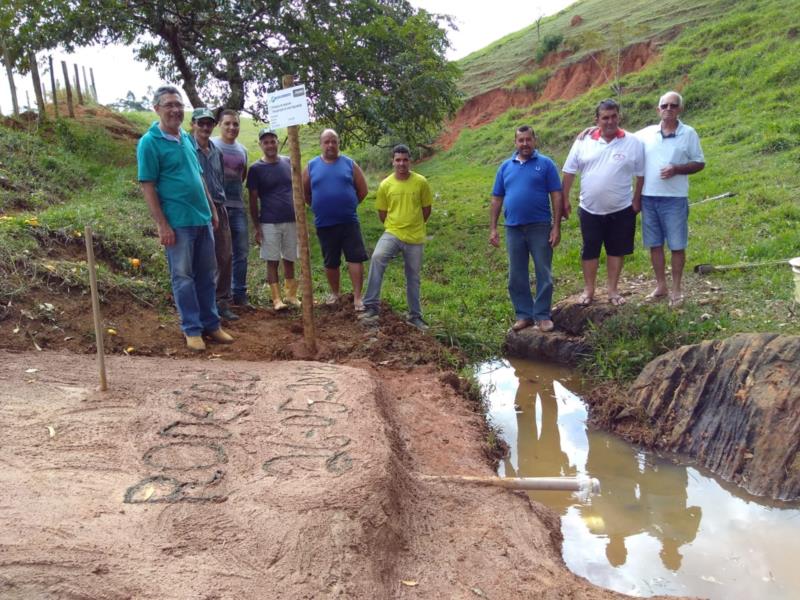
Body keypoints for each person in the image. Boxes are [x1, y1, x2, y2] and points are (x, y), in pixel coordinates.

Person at [137, 85, 233, 351]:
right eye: (168, 105)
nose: (175, 110)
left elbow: (199, 176)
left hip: (202, 218)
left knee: (206, 274)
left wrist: (212, 209)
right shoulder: (149, 143)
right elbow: (148, 185)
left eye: (178, 105)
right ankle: (192, 329)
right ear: (156, 109)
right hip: (177, 222)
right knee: (183, 276)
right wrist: (162, 224)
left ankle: (211, 325)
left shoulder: (187, 138)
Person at [562, 99, 644, 306]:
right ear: (597, 120)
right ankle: (589, 290)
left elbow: (641, 174)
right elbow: (569, 171)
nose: (610, 121)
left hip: (622, 208)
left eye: (613, 116)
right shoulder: (583, 141)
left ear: (619, 116)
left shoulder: (633, 142)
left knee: (616, 250)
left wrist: (637, 200)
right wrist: (564, 198)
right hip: (589, 209)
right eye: (605, 117)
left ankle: (612, 290)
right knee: (590, 249)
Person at [490, 125, 563, 332]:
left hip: (539, 226)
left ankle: (542, 315)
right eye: (520, 140)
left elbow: (556, 195)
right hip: (513, 228)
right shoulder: (505, 167)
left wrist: (556, 227)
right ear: (515, 142)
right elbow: (497, 198)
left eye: (528, 140)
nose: (525, 144)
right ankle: (524, 314)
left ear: (534, 140)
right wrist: (493, 228)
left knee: (543, 271)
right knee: (516, 274)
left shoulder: (546, 164)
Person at [636, 91, 705, 307]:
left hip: (675, 199)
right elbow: (621, 135)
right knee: (654, 244)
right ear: (658, 109)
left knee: (677, 245)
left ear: (679, 109)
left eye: (673, 106)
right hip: (649, 198)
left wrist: (676, 169)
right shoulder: (646, 133)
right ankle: (661, 286)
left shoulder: (689, 133)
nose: (668, 109)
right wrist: (592, 130)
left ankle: (676, 289)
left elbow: (699, 163)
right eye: (664, 105)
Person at [360, 144, 433, 330]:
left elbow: (426, 210)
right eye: (398, 160)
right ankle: (371, 307)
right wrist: (394, 225)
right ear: (392, 161)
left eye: (405, 160)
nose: (401, 163)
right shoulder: (386, 184)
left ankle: (415, 316)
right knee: (377, 258)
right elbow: (382, 212)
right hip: (392, 232)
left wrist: (415, 224)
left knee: (413, 276)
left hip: (415, 236)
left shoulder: (421, 182)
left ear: (410, 161)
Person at [302, 129, 369, 310]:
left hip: (349, 221)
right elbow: (304, 192)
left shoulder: (349, 164)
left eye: (334, 141)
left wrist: (349, 204)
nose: (330, 145)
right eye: (327, 142)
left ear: (338, 143)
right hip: (325, 223)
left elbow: (363, 190)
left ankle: (357, 298)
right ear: (321, 144)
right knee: (331, 260)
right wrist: (317, 205)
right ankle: (335, 294)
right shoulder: (311, 166)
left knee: (355, 258)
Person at [189, 107, 238, 322]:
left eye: (209, 123)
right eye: (201, 123)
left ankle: (222, 302)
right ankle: (199, 305)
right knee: (200, 259)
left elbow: (220, 180)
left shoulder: (216, 151)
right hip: (195, 208)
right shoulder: (187, 148)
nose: (205, 127)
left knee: (225, 255)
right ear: (193, 124)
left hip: (219, 205)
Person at [247, 127, 301, 311]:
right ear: (260, 145)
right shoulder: (255, 169)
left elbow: (296, 188)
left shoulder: (287, 162)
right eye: (266, 142)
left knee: (290, 257)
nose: (270, 145)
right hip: (269, 221)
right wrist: (257, 227)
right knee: (272, 260)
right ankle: (276, 298)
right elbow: (253, 200)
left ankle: (291, 295)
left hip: (291, 219)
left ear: (278, 142)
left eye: (273, 141)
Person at [213, 109, 250, 307]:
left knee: (241, 253)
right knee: (221, 254)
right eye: (227, 123)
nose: (231, 127)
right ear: (220, 124)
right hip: (218, 207)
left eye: (235, 124)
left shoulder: (243, 150)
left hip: (238, 208)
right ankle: (220, 297)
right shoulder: (211, 144)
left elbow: (242, 177)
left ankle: (240, 294)